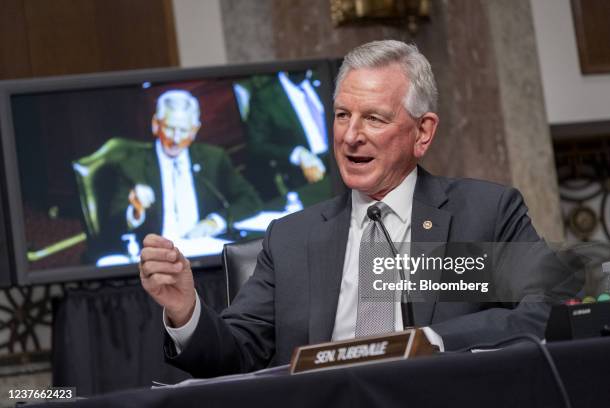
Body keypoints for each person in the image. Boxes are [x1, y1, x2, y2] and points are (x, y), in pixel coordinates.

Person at [139, 41, 573, 378]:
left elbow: (542, 310)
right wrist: (185, 310)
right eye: (343, 115)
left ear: (423, 133)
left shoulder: (483, 213)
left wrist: (432, 341)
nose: (350, 136)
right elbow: (234, 352)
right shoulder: (291, 239)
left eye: (374, 119)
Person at [99, 90, 262, 252]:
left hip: (206, 249)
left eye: (183, 131)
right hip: (159, 258)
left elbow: (250, 200)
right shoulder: (132, 166)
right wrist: (136, 211)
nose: (176, 139)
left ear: (194, 130)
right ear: (156, 124)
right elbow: (112, 227)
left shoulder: (213, 158)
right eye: (170, 128)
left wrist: (214, 222)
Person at [235, 71, 328, 200]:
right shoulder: (264, 97)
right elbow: (256, 146)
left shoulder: (325, 76)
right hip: (304, 171)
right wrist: (297, 154)